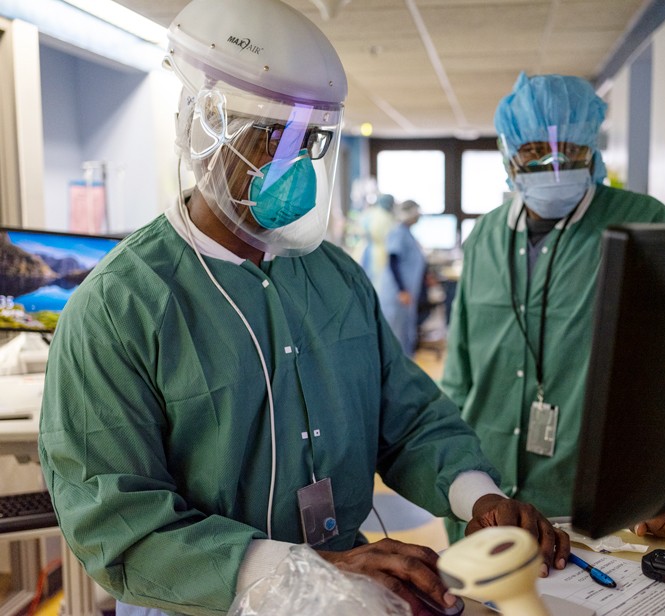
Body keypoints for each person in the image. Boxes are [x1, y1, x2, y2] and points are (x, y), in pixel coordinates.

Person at [37, 4, 570, 616]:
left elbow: (410, 421)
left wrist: (479, 497)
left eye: (309, 140)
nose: (293, 159)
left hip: (349, 585)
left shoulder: (334, 277)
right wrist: (306, 569)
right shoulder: (119, 307)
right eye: (273, 136)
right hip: (206, 601)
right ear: (206, 129)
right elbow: (121, 526)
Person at [440, 73, 665, 544]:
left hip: (601, 504)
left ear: (592, 150)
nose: (553, 165)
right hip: (490, 499)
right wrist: (460, 486)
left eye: (570, 152)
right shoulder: (484, 237)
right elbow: (459, 377)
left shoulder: (645, 224)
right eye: (535, 151)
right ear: (509, 155)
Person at [378, 199, 427, 357]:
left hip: (405, 294)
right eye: (416, 213)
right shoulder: (398, 233)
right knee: (397, 337)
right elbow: (393, 262)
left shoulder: (407, 233)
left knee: (405, 334)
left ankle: (405, 373)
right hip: (397, 295)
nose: (419, 216)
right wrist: (402, 290)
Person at [358, 192, 395, 287]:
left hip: (364, 250)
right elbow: (388, 237)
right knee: (377, 283)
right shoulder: (385, 217)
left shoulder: (369, 213)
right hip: (379, 253)